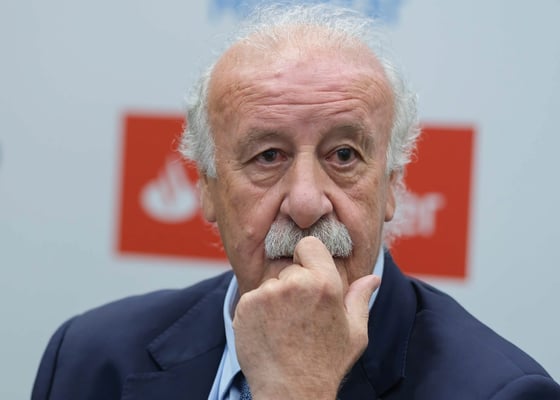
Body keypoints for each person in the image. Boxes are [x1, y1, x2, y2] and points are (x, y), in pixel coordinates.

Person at [32, 3, 560, 400]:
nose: (306, 203)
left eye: (344, 155)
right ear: (208, 188)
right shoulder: (88, 360)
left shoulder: (501, 391)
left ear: (392, 185)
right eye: (268, 156)